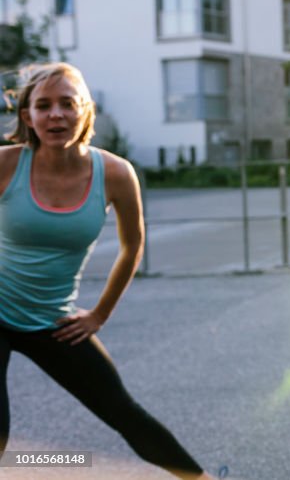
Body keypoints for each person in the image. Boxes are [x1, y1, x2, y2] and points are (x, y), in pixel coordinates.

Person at [0, 63, 217, 479]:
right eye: (43, 106)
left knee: (124, 413)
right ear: (27, 116)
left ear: (86, 111)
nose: (56, 115)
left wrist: (99, 314)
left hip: (53, 319)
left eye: (67, 103)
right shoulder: (7, 165)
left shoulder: (115, 173)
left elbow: (132, 245)